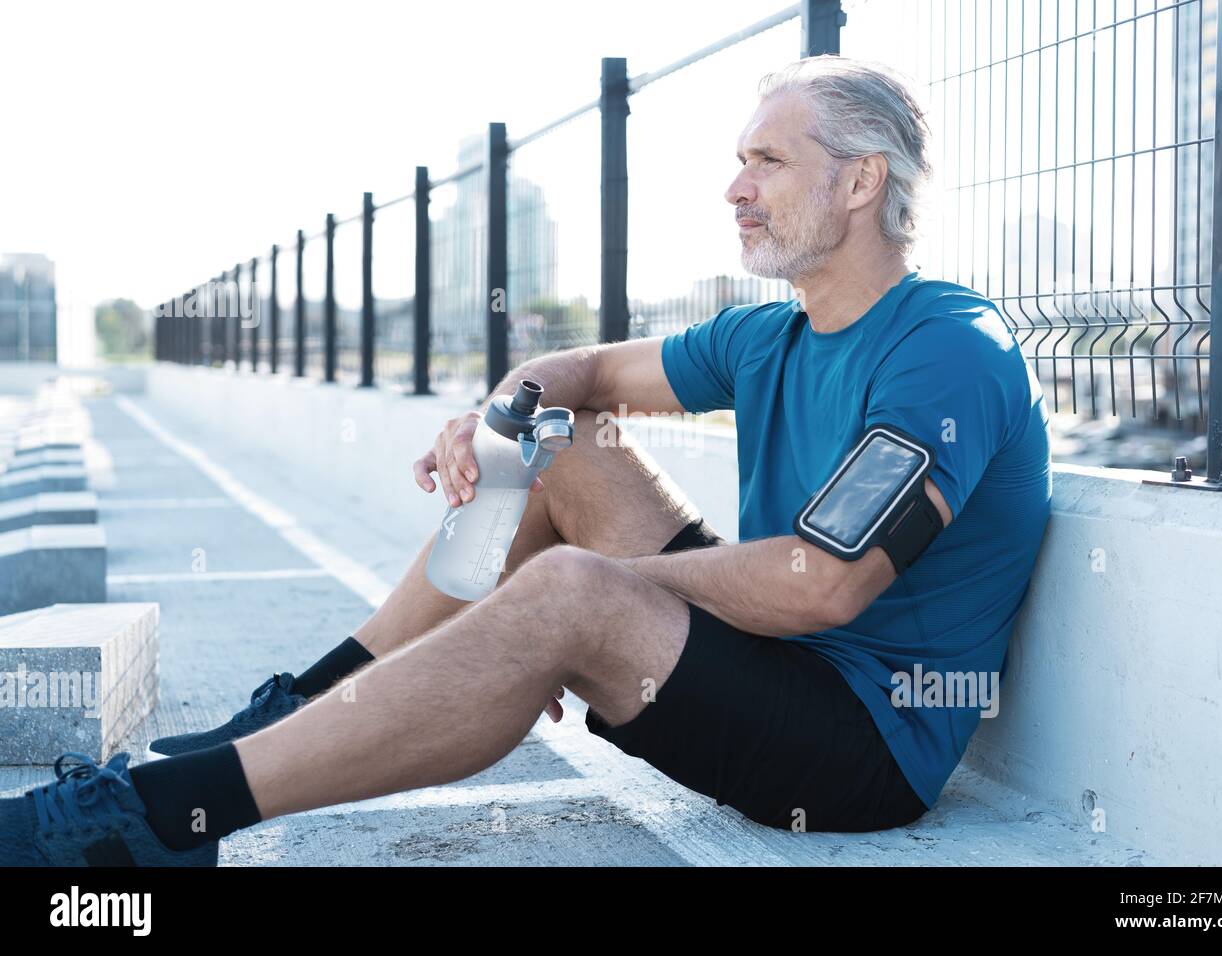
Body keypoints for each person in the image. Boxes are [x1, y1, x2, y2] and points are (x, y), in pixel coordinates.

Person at [1, 55, 1050, 867]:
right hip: (766, 661)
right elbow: (582, 369)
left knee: (566, 593)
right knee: (555, 451)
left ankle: (154, 819)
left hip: (855, 747)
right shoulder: (766, 334)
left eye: (767, 162)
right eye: (739, 159)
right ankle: (279, 721)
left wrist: (579, 599)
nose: (734, 186)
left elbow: (825, 583)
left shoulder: (948, 350)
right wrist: (497, 415)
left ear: (861, 179)